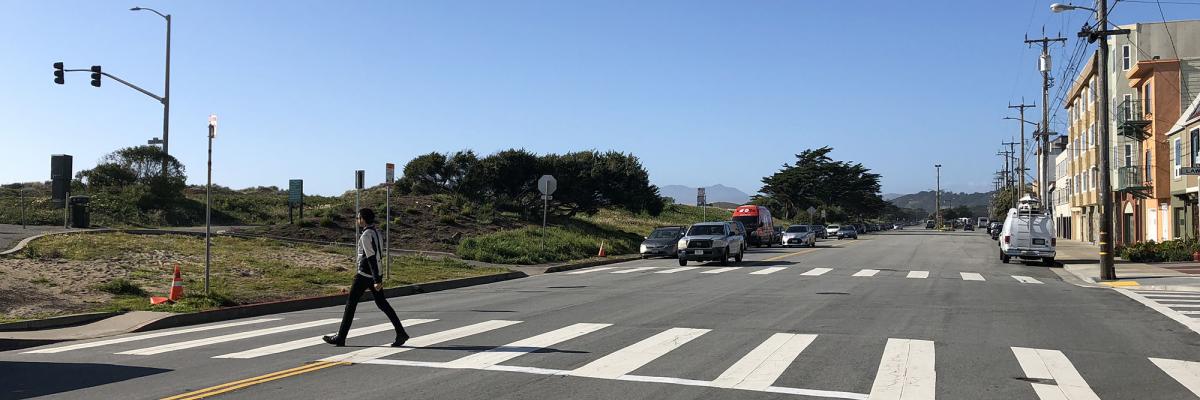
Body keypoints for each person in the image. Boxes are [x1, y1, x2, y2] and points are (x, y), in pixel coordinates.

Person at [323, 208, 409, 347]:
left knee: (350, 304)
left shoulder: (366, 236)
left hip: (364, 275)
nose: (357, 220)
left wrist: (376, 280)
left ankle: (341, 337)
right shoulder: (377, 233)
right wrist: (378, 277)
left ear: (363, 219)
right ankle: (401, 333)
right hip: (375, 273)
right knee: (383, 304)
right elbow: (378, 256)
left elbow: (370, 258)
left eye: (358, 218)